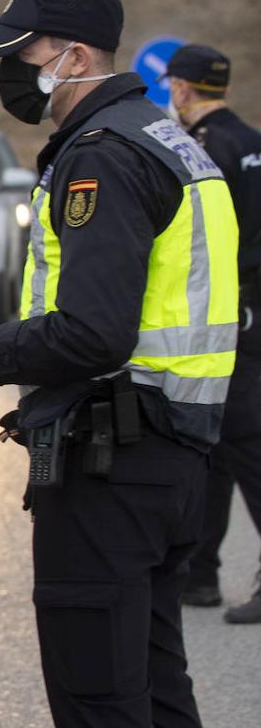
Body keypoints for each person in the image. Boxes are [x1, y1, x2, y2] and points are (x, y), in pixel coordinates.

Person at [0, 0, 238, 728]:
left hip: (113, 459)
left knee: (97, 693)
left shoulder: (102, 157)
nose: (15, 68)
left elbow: (91, 333)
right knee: (152, 680)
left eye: (24, 52)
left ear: (74, 55)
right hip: (170, 452)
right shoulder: (163, 137)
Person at [165, 44, 261, 624]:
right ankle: (200, 576)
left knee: (243, 448)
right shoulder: (253, 142)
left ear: (181, 89)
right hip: (253, 310)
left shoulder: (200, 151)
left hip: (227, 316)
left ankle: (202, 574)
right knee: (220, 450)